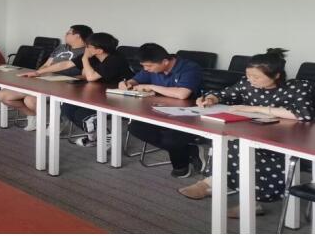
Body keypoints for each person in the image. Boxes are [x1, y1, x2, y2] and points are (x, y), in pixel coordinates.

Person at [177, 49, 313, 217]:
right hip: (255, 131)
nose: (251, 80)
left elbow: (303, 114)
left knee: (248, 149)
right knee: (227, 140)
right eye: (248, 76)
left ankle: (251, 202)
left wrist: (254, 109)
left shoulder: (297, 87)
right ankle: (212, 182)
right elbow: (225, 94)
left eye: (256, 77)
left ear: (277, 75)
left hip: (286, 139)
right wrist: (211, 99)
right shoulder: (246, 84)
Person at [123, 43, 204, 178]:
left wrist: (152, 87)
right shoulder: (152, 67)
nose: (146, 69)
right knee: (135, 127)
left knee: (171, 138)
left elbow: (182, 94)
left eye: (149, 66)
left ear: (165, 62)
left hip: (188, 115)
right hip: (159, 111)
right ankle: (190, 149)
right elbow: (136, 80)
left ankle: (181, 165)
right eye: (144, 66)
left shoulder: (190, 68)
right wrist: (127, 83)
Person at [0, 24, 93, 131]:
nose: (65, 34)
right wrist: (39, 73)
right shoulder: (62, 47)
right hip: (45, 80)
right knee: (2, 95)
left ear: (78, 36)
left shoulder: (87, 52)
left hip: (65, 86)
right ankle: (32, 116)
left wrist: (62, 78)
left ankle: (56, 121)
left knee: (30, 100)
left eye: (68, 33)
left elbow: (84, 76)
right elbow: (47, 65)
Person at [61, 32, 133, 147]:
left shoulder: (115, 59)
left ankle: (101, 137)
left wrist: (85, 58)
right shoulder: (95, 56)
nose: (86, 49)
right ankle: (97, 136)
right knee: (67, 107)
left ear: (99, 50)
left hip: (119, 98)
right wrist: (39, 72)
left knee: (82, 114)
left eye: (88, 46)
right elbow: (70, 66)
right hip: (100, 93)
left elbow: (90, 77)